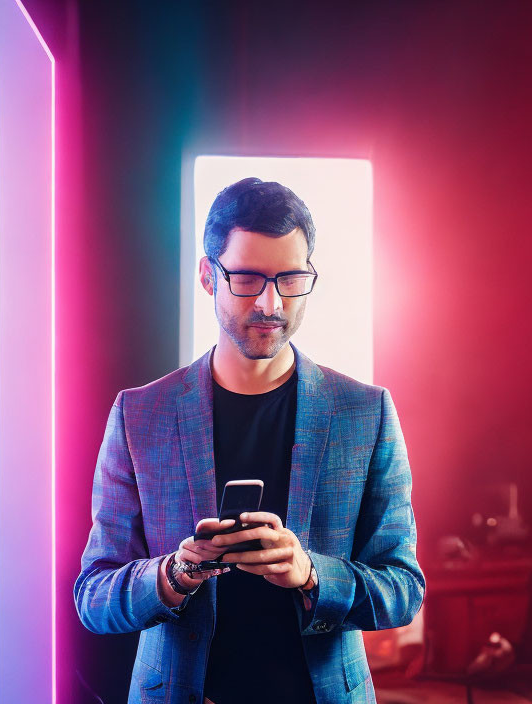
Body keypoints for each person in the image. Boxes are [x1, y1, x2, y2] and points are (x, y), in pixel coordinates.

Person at [74, 177, 425, 704]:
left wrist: (311, 575)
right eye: (248, 279)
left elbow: (403, 590)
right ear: (207, 277)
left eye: (290, 278)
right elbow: (94, 597)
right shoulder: (139, 415)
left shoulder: (366, 414)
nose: (271, 302)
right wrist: (175, 573)